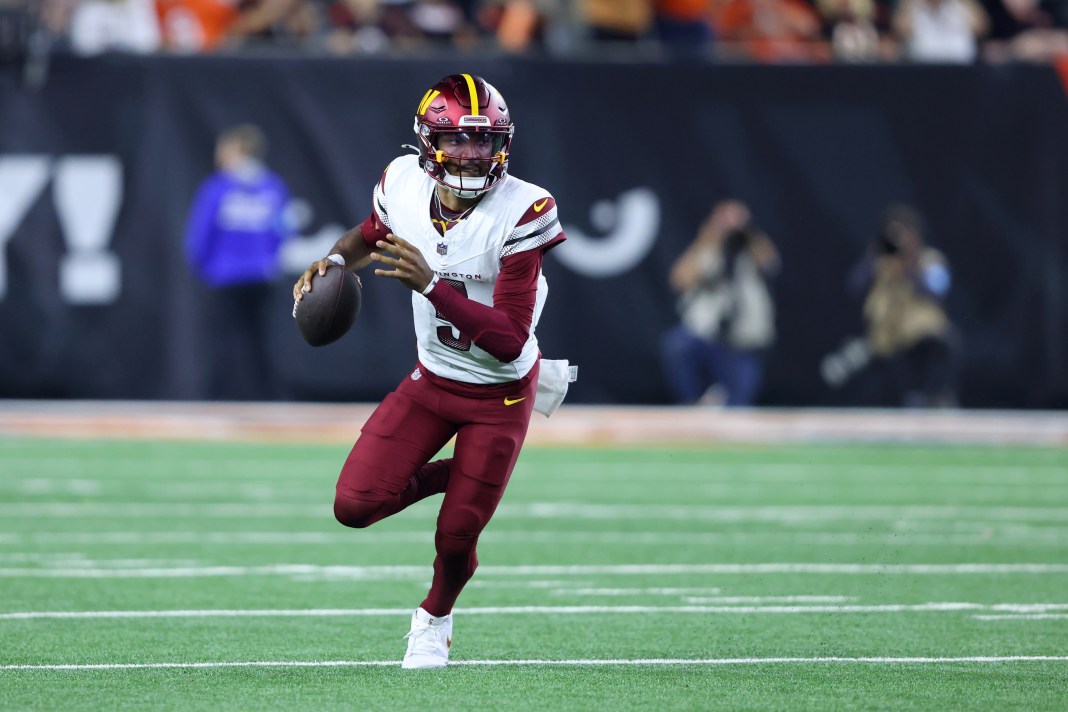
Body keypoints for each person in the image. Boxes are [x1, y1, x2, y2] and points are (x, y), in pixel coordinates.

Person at [291, 74, 570, 669]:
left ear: (503, 145)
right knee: (355, 505)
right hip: (432, 380)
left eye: (483, 141)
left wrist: (433, 286)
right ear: (427, 140)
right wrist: (334, 260)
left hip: (499, 393)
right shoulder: (404, 183)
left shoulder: (524, 208)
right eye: (457, 140)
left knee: (455, 537)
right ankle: (462, 475)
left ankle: (434, 618)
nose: (472, 154)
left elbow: (507, 339)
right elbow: (370, 234)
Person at [185, 124, 293, 400]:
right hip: (263, 276)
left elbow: (200, 235)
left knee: (223, 340)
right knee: (259, 340)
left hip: (226, 277)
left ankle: (220, 397)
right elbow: (285, 233)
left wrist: (201, 265)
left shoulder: (218, 187)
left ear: (238, 150)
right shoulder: (272, 186)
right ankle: (263, 397)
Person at [660, 199, 779, 407]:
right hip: (706, 337)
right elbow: (679, 280)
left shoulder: (751, 251)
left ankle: (721, 401)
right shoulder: (708, 250)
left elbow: (771, 263)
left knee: (738, 409)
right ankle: (692, 401)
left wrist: (747, 231)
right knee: (677, 345)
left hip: (741, 345)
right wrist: (711, 236)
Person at [847, 203, 958, 407]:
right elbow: (854, 286)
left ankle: (933, 399)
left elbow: (936, 292)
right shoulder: (880, 262)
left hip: (923, 342)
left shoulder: (930, 260)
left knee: (943, 350)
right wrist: (874, 255)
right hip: (887, 345)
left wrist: (910, 266)